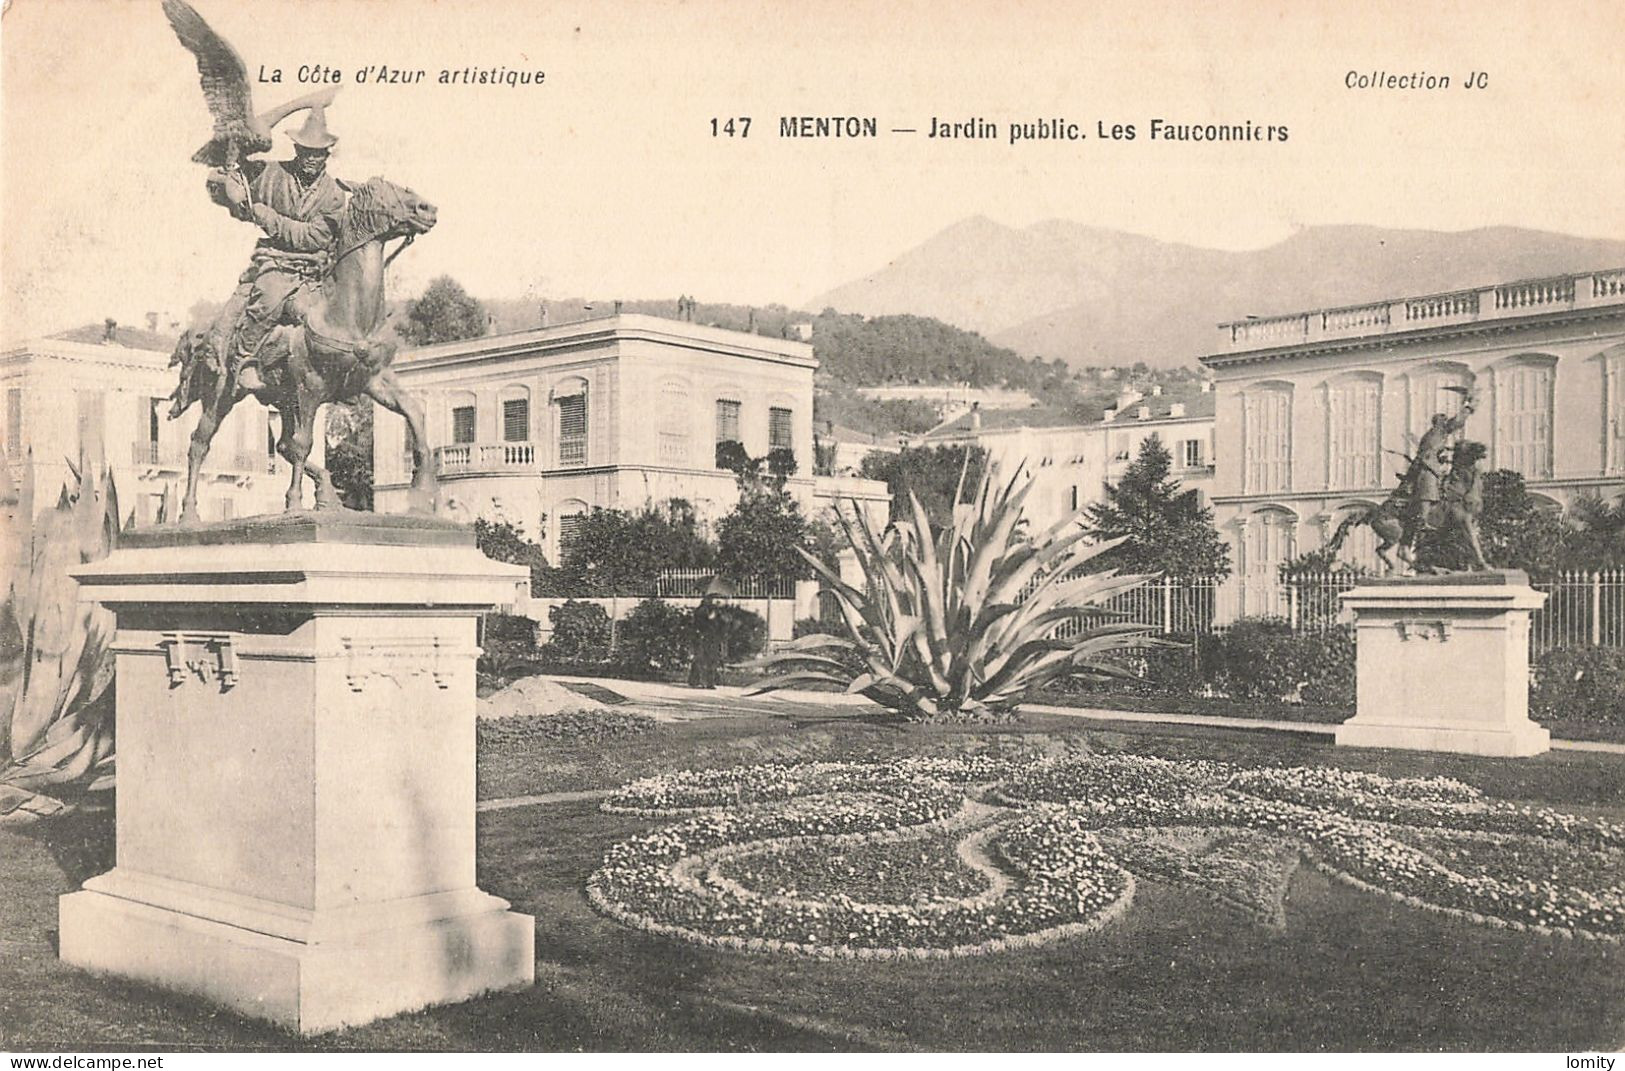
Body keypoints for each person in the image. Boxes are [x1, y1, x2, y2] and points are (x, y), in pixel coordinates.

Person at [206, 106, 349, 394]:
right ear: (297, 149)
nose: (312, 158)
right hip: (275, 262)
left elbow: (314, 237)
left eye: (318, 153)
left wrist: (265, 215)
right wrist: (229, 180)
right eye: (307, 151)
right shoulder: (272, 173)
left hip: (314, 267)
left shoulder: (334, 195)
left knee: (331, 316)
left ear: (327, 155)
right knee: (267, 300)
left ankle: (329, 378)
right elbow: (223, 181)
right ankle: (243, 361)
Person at [688, 592, 726, 689]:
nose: (716, 601)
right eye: (713, 599)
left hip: (713, 638)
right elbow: (702, 621)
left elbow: (721, 623)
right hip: (703, 637)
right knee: (702, 659)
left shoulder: (716, 610)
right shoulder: (702, 610)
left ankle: (708, 682)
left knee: (711, 659)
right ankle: (698, 681)